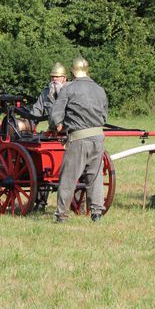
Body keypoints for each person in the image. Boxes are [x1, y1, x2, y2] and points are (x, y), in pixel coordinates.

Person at [49, 57, 108, 223]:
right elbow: (104, 116)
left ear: (73, 71)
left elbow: (55, 115)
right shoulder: (99, 89)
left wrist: (57, 126)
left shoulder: (69, 89)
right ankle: (96, 213)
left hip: (78, 138)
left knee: (68, 177)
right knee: (95, 177)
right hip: (98, 138)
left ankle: (61, 215)